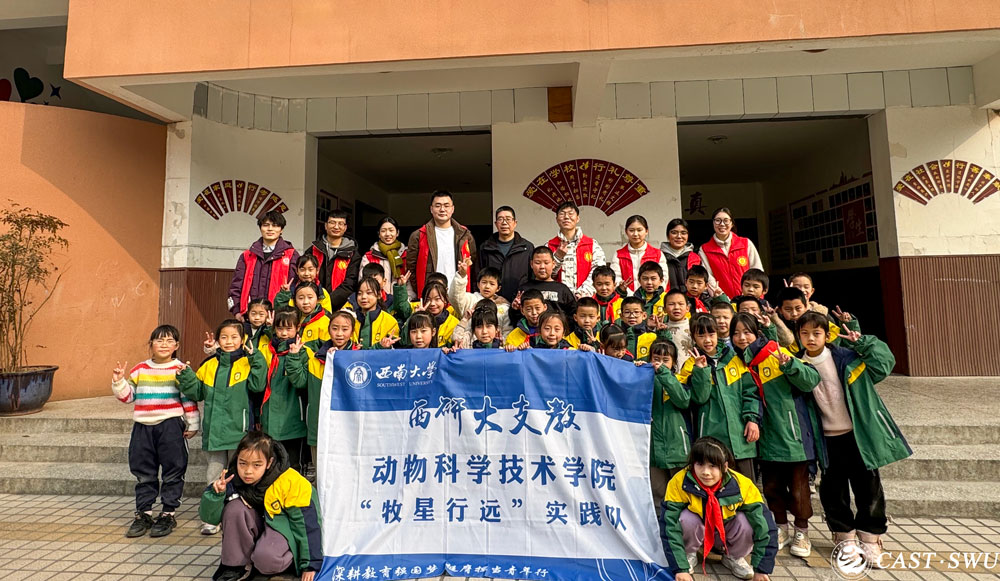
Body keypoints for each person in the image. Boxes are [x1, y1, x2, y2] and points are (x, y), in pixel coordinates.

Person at [796, 312, 911, 568]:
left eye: (817, 333)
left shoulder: (847, 358)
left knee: (868, 486)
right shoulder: (797, 364)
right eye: (805, 333)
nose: (811, 338)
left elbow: (883, 364)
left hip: (857, 435)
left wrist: (862, 342)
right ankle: (844, 538)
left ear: (828, 335)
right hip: (826, 439)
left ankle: (870, 538)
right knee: (833, 490)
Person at [731, 313, 822, 559]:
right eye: (736, 333)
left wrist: (789, 365)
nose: (741, 338)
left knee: (799, 490)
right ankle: (781, 528)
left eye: (747, 332)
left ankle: (802, 531)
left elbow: (811, 379)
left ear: (757, 333)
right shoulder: (740, 363)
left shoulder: (774, 352)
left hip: (792, 436)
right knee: (772, 487)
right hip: (765, 437)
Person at [178, 318, 266, 535]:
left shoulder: (247, 362)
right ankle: (212, 518)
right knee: (214, 475)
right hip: (215, 433)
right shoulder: (209, 365)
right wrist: (186, 376)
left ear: (242, 339)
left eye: (234, 337)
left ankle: (242, 518)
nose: (229, 341)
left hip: (240, 432)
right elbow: (197, 392)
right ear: (217, 340)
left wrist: (255, 357)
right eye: (224, 337)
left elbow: (258, 385)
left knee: (241, 475)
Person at [112, 325, 199, 538]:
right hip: (143, 427)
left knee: (173, 470)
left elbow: (188, 398)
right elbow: (128, 397)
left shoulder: (180, 369)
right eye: (159, 340)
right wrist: (119, 381)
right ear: (151, 344)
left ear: (177, 345)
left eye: (169, 341)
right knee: (143, 472)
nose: (164, 345)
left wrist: (193, 424)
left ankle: (168, 513)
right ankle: (144, 513)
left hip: (170, 426)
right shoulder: (140, 369)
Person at [200, 431, 322, 581]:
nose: (248, 471)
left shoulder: (292, 482)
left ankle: (285, 559)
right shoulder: (231, 479)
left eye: (257, 465)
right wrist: (216, 494)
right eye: (242, 463)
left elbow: (307, 525)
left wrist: (310, 564)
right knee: (234, 509)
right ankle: (236, 566)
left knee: (266, 560)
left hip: (281, 532)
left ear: (269, 463)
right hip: (259, 529)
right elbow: (209, 518)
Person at [660, 437, 777, 581]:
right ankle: (688, 554)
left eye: (713, 466)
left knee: (747, 522)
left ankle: (733, 557)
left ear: (725, 466)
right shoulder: (679, 482)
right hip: (698, 532)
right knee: (685, 518)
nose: (706, 472)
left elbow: (765, 527)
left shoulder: (743, 484)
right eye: (700, 464)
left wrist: (761, 569)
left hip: (725, 535)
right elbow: (669, 525)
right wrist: (679, 568)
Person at [680, 314, 760, 482]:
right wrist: (701, 370)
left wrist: (752, 419)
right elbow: (700, 398)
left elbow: (750, 392)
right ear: (693, 337)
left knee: (747, 487)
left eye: (711, 334)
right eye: (701, 335)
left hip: (741, 436)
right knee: (718, 487)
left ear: (718, 333)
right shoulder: (689, 365)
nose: (707, 340)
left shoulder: (734, 358)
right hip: (711, 438)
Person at [249, 310, 307, 473]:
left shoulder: (302, 352)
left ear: (297, 329)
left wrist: (294, 357)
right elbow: (258, 386)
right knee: (272, 466)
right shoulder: (268, 351)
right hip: (269, 421)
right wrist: (258, 415)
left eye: (289, 329)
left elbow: (300, 382)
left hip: (293, 420)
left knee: (293, 467)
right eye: (280, 328)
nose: (284, 333)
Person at [647, 339, 691, 521]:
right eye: (656, 358)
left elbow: (683, 400)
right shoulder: (645, 379)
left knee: (681, 495)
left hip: (678, 449)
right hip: (652, 450)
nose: (660, 363)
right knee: (657, 495)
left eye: (666, 360)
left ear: (673, 363)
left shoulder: (679, 379)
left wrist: (664, 373)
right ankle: (661, 531)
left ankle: (682, 531)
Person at [228, 210, 299, 319]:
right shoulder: (247, 256)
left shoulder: (291, 255)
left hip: (280, 318)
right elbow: (236, 286)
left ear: (281, 229)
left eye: (275, 225)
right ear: (260, 228)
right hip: (250, 317)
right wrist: (237, 311)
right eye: (266, 225)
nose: (270, 229)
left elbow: (297, 287)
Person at [406, 190, 477, 297]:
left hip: (458, 293)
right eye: (438, 206)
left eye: (446, 206)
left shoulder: (464, 234)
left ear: (452, 209)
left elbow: (473, 263)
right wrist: (423, 290)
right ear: (431, 209)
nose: (442, 209)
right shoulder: (419, 235)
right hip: (431, 295)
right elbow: (411, 268)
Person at [698, 208, 763, 298]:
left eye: (726, 220)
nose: (722, 224)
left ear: (732, 223)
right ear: (713, 223)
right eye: (718, 220)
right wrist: (722, 297)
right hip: (722, 301)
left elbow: (757, 271)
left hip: (749, 299)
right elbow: (708, 277)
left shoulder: (746, 243)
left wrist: (751, 295)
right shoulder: (705, 249)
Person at [548, 201, 606, 297]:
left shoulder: (592, 244)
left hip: (586, 299)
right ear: (557, 219)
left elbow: (599, 271)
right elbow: (546, 274)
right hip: (558, 300)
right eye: (562, 214)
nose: (566, 217)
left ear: (578, 218)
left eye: (571, 214)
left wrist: (583, 292)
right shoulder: (549, 245)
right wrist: (558, 257)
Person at [308, 209, 362, 312]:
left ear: (345, 227)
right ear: (326, 226)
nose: (336, 227)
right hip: (313, 307)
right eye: (332, 222)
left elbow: (350, 283)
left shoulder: (352, 254)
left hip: (342, 308)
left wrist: (327, 303)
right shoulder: (313, 250)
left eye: (340, 224)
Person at [478, 206, 533, 302]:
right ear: (496, 224)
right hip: (492, 302)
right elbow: (478, 275)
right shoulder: (486, 247)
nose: (504, 223)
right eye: (500, 219)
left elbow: (532, 277)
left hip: (519, 302)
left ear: (515, 223)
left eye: (508, 219)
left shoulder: (527, 248)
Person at [449, 261, 510, 348]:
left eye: (492, 284)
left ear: (498, 288)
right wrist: (461, 276)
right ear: (478, 284)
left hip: (495, 351)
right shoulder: (470, 300)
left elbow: (507, 331)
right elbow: (455, 297)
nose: (487, 286)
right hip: (470, 349)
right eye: (484, 282)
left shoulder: (504, 307)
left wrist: (504, 346)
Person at [509, 246, 577, 324]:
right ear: (531, 264)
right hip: (530, 331)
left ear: (553, 264)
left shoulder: (562, 289)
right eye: (537, 263)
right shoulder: (524, 289)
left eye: (546, 263)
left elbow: (574, 314)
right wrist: (514, 309)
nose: (542, 267)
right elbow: (515, 319)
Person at [611, 215, 669, 292]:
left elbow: (663, 279)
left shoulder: (657, 254)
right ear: (626, 232)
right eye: (631, 230)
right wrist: (631, 295)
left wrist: (651, 295)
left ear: (646, 231)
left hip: (653, 297)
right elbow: (616, 279)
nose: (635, 234)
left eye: (639, 230)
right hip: (626, 298)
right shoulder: (618, 255)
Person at [396, 280, 460, 347]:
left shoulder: (454, 323)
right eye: (428, 299)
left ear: (445, 300)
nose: (432, 303)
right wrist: (416, 317)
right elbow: (403, 341)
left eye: (437, 299)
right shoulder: (416, 312)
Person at [349, 276, 400, 349]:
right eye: (359, 293)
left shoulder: (390, 321)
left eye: (369, 293)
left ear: (379, 295)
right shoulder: (350, 319)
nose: (363, 297)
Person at [361, 216, 407, 295]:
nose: (387, 234)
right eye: (383, 231)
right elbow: (363, 283)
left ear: (397, 233)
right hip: (377, 299)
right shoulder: (369, 257)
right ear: (379, 234)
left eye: (391, 230)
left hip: (401, 299)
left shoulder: (406, 255)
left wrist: (406, 299)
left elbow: (410, 283)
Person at [618, 296, 672, 361]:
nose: (632, 316)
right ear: (621, 316)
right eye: (627, 312)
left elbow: (669, 351)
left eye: (636, 312)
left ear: (644, 315)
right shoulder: (617, 337)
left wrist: (662, 333)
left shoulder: (652, 337)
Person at [661, 218, 702, 291]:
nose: (679, 236)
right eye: (674, 233)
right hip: (666, 297)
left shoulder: (695, 257)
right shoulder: (659, 257)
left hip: (689, 297)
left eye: (683, 233)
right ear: (667, 235)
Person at [288, 282, 331, 350]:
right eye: (301, 298)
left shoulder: (326, 321)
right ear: (295, 301)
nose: (305, 302)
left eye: (310, 297)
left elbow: (326, 350)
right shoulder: (292, 318)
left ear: (318, 299)